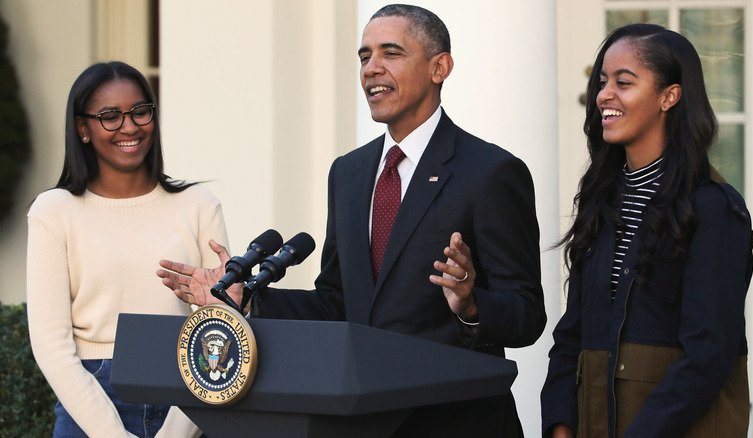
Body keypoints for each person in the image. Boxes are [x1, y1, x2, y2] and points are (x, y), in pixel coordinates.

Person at [158, 4, 545, 437]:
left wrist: (471, 305)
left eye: (391, 53)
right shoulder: (350, 172)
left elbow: (527, 314)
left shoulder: (490, 172)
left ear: (440, 67)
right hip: (362, 422)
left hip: (457, 422)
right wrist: (249, 298)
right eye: (364, 57)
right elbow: (336, 302)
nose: (371, 69)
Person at [540, 23, 753, 438]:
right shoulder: (601, 199)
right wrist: (561, 425)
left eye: (624, 82)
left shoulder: (713, 208)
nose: (604, 95)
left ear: (668, 96)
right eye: (602, 82)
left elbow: (709, 354)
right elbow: (573, 333)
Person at [26, 61, 228, 438]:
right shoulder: (53, 212)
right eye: (109, 116)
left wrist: (176, 433)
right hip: (89, 405)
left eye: (140, 111)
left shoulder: (199, 205)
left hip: (188, 396)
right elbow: (52, 346)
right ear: (82, 128)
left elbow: (219, 327)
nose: (130, 126)